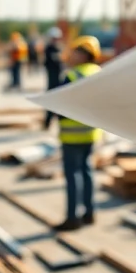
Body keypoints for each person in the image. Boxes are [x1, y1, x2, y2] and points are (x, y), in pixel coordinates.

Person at [53, 35, 103, 231]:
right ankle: (89, 213)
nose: (70, 55)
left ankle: (72, 217)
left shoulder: (72, 76)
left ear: (83, 54)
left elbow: (59, 105)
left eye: (74, 51)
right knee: (87, 171)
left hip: (71, 134)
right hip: (91, 132)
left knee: (73, 175)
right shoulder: (99, 72)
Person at [42, 26, 64, 130]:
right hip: (52, 80)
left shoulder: (58, 49)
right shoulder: (49, 49)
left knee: (58, 102)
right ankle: (47, 123)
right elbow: (50, 62)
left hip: (58, 80)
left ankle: (55, 122)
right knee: (51, 101)